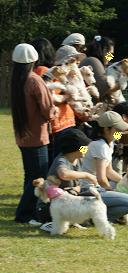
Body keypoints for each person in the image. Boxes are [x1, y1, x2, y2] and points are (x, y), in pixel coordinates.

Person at [10, 43, 57, 225]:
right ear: (34, 60)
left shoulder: (16, 81)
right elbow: (47, 110)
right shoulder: (34, 80)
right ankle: (25, 214)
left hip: (23, 136)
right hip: (37, 136)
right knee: (37, 177)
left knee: (30, 176)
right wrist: (56, 112)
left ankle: (29, 212)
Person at [37, 129, 97, 231]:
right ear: (75, 147)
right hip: (49, 206)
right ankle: (51, 223)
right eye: (84, 147)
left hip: (67, 201)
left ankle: (72, 221)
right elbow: (63, 174)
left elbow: (78, 183)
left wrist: (77, 187)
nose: (86, 149)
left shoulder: (78, 160)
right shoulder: (61, 161)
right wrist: (87, 175)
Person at [46, 45, 87, 163]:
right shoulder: (55, 75)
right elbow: (52, 98)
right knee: (61, 157)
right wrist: (68, 97)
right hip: (59, 126)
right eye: (73, 60)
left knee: (74, 154)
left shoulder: (69, 76)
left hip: (70, 122)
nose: (76, 63)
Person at [79, 36, 119, 103]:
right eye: (111, 54)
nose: (111, 58)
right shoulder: (93, 61)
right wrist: (121, 83)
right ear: (104, 50)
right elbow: (104, 87)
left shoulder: (92, 60)